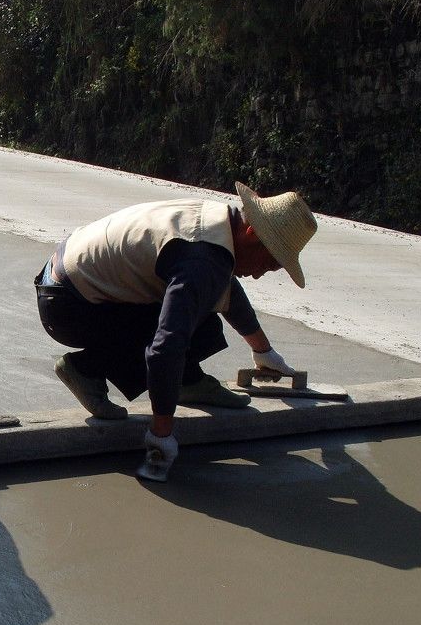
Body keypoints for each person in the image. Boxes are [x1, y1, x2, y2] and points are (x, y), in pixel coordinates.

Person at [34, 182, 318, 480]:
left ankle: (188, 382)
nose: (261, 273)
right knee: (185, 330)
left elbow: (225, 288)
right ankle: (86, 368)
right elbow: (166, 348)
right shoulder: (203, 257)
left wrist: (264, 352)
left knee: (203, 321)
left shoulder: (217, 221)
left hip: (63, 280)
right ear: (252, 234)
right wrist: (161, 437)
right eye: (269, 263)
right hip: (69, 307)